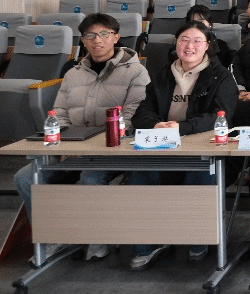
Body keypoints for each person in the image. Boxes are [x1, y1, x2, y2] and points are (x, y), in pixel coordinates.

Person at [14, 13, 150, 263]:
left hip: (113, 149)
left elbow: (132, 117)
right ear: (83, 41)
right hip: (72, 148)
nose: (97, 40)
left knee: (90, 178)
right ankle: (54, 237)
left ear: (116, 37)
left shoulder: (136, 72)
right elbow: (60, 113)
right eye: (90, 35)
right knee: (25, 177)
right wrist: (65, 145)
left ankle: (97, 238)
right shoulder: (73, 74)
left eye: (104, 34)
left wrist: (92, 147)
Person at [128, 21, 238, 270]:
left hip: (205, 150)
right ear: (176, 44)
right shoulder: (163, 75)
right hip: (163, 146)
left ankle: (198, 238)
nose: (190, 46)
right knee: (140, 175)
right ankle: (147, 244)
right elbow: (142, 113)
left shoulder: (220, 77)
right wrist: (157, 125)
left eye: (197, 41)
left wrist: (181, 128)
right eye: (184, 40)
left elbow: (219, 117)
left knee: (199, 173)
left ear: (207, 46)